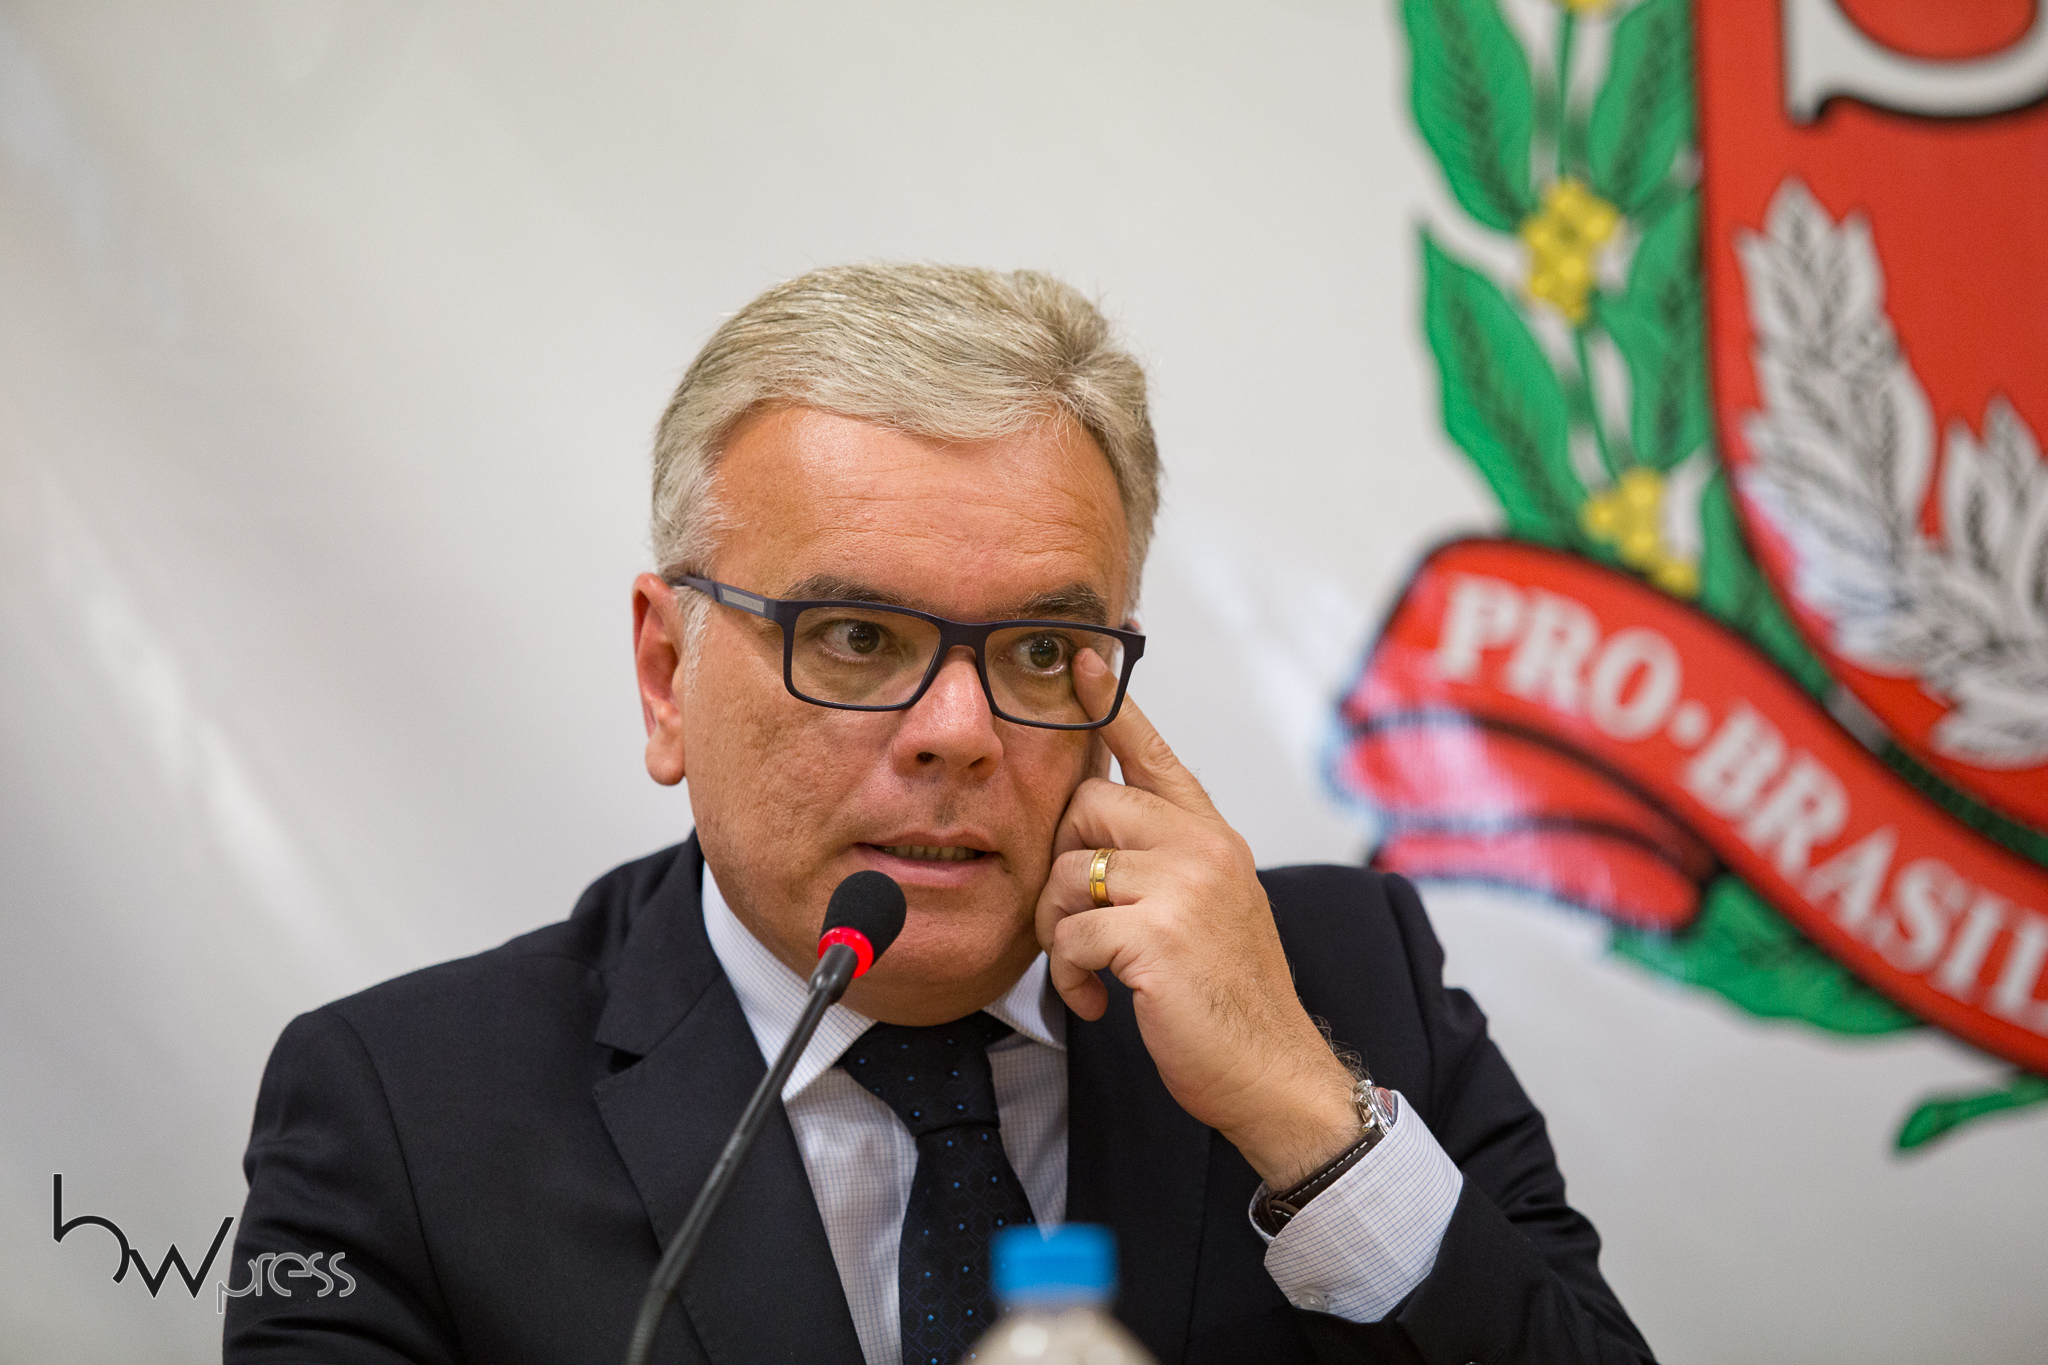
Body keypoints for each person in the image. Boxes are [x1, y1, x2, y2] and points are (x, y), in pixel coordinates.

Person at [225, 265, 1653, 1365]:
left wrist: (1309, 1121)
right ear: (667, 674)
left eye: (1038, 651)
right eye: (855, 638)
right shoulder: (406, 1112)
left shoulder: (1345, 987)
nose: (959, 733)